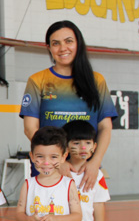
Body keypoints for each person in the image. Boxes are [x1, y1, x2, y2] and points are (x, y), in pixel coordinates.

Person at [20, 20, 117, 192]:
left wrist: (95, 162)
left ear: (78, 43)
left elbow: (105, 128)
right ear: (49, 48)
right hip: (49, 168)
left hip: (86, 170)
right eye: (56, 43)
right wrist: (58, 161)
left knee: (88, 210)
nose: (63, 48)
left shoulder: (97, 81)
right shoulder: (37, 81)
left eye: (68, 41)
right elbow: (30, 128)